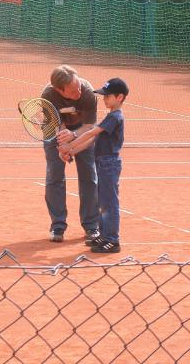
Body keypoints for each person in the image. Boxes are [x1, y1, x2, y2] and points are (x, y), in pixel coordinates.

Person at [59, 78, 129, 253]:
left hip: (109, 164)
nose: (104, 99)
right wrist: (72, 152)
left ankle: (112, 240)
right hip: (103, 163)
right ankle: (105, 235)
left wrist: (70, 144)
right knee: (102, 202)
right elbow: (93, 141)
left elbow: (91, 133)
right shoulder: (110, 117)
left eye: (108, 96)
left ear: (120, 97)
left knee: (109, 203)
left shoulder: (115, 117)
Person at [41, 65, 99, 244]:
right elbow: (57, 126)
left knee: (89, 175)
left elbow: (89, 128)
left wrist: (73, 144)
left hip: (82, 132)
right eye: (73, 91)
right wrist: (63, 148)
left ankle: (91, 226)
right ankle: (57, 226)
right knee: (54, 176)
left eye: (79, 86)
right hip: (56, 132)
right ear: (60, 90)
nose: (78, 91)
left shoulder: (88, 93)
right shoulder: (48, 96)